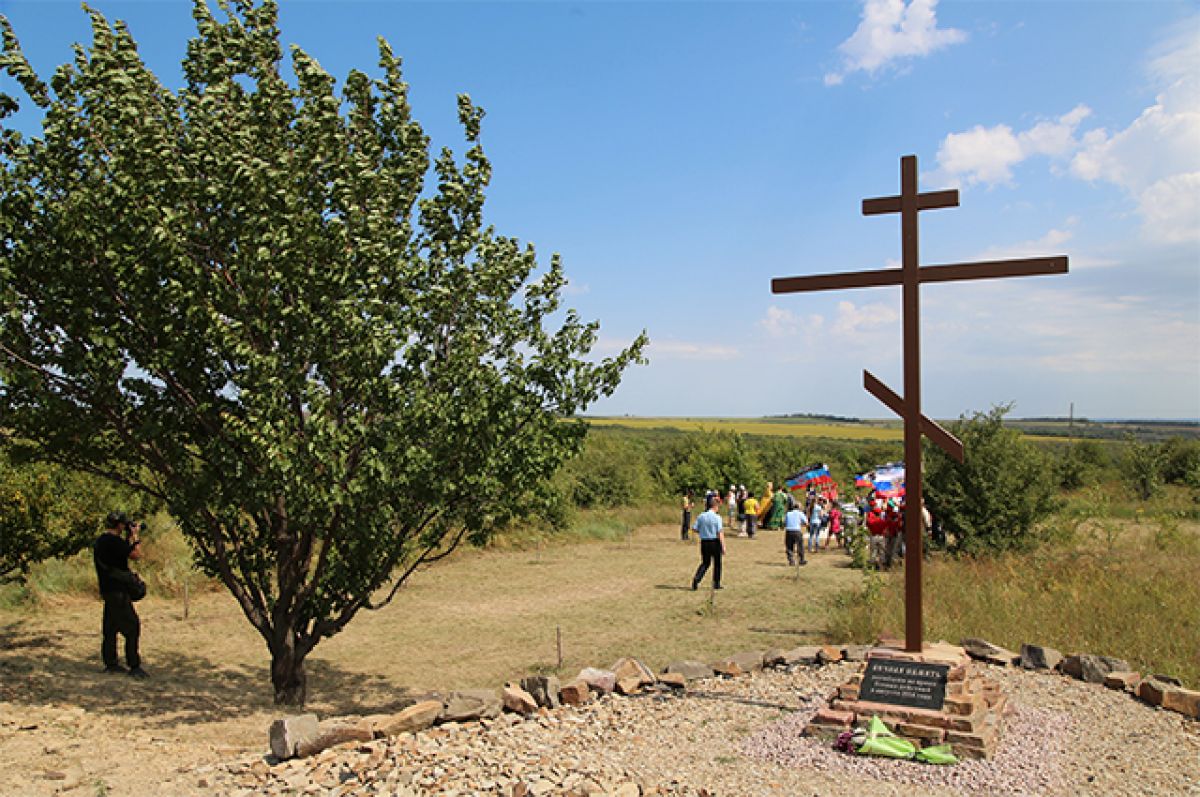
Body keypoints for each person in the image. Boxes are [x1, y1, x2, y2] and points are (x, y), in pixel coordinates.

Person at [93, 511, 147, 678]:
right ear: (120, 525)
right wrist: (135, 537)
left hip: (107, 589)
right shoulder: (114, 541)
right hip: (118, 590)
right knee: (132, 627)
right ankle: (134, 665)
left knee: (110, 627)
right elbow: (136, 555)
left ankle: (111, 663)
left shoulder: (101, 541)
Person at [691, 496, 725, 590]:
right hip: (715, 541)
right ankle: (716, 583)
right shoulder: (717, 517)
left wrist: (702, 532)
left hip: (704, 542)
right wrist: (723, 546)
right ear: (715, 506)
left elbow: (694, 528)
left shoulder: (701, 516)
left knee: (705, 563)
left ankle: (697, 578)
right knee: (717, 563)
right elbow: (719, 532)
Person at [784, 502, 808, 566]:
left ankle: (791, 560)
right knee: (800, 546)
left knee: (789, 546)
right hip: (797, 531)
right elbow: (806, 522)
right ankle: (801, 560)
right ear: (799, 507)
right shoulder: (800, 513)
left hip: (789, 531)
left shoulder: (788, 513)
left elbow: (785, 522)